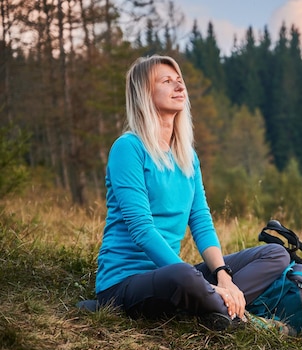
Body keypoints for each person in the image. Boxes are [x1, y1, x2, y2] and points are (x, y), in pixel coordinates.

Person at [95, 55, 290, 329]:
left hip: (174, 275)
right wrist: (193, 277)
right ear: (144, 94)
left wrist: (223, 276)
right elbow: (141, 229)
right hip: (125, 283)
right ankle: (240, 318)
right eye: (167, 81)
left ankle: (215, 306)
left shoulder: (187, 156)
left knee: (276, 254)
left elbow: (200, 219)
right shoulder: (128, 148)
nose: (179, 87)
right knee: (184, 276)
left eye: (180, 81)